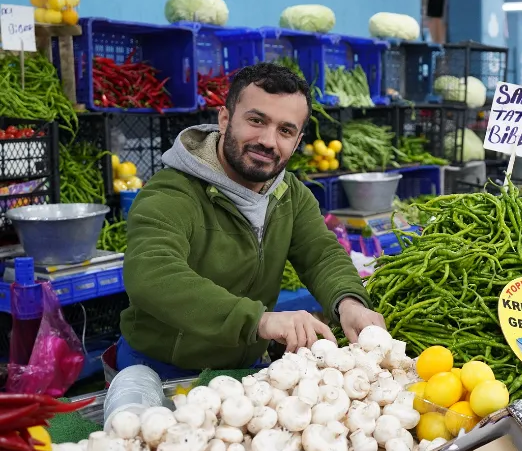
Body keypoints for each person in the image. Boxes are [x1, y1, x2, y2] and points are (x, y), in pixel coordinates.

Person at [117, 63, 385, 376]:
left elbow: (320, 254)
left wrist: (349, 303)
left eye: (285, 130)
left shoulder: (290, 194)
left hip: (242, 370)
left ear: (297, 142)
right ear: (225, 119)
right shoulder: (172, 193)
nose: (268, 141)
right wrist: (259, 320)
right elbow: (152, 276)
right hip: (163, 368)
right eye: (256, 121)